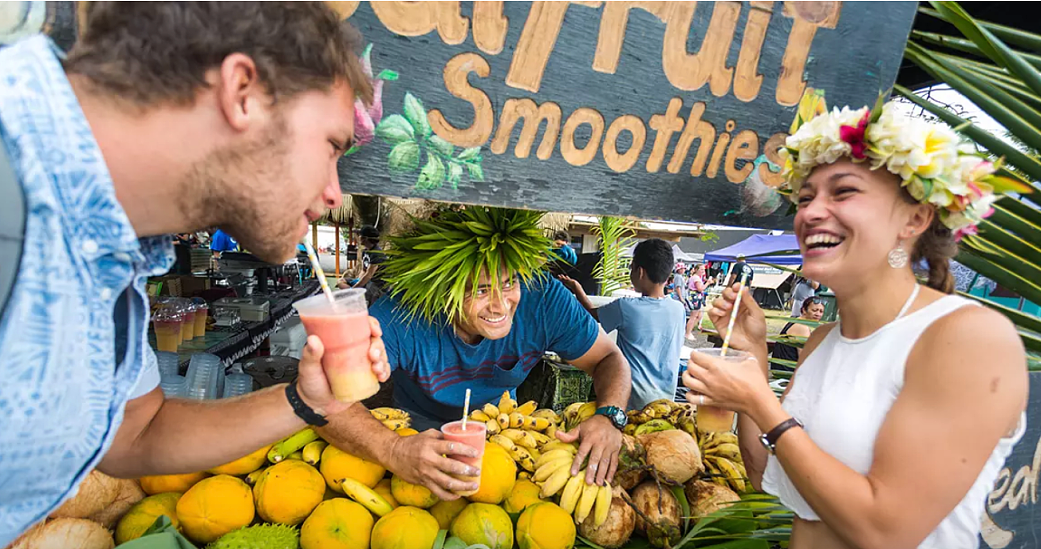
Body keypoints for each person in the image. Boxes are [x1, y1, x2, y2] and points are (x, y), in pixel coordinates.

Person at [0, 4, 417, 544]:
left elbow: (137, 436)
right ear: (242, 90)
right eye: (332, 147)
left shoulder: (111, 255)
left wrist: (309, 401)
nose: (336, 191)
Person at [683, 94, 1027, 548]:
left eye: (843, 191)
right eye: (805, 198)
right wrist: (755, 358)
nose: (809, 212)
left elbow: (886, 531)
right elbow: (767, 472)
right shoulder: (823, 340)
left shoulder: (966, 337)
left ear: (916, 218)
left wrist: (763, 404)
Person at [321, 206, 632, 493]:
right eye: (481, 289)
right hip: (415, 436)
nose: (500, 305)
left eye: (509, 283)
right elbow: (323, 399)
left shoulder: (543, 299)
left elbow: (608, 357)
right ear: (442, 292)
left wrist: (610, 415)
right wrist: (393, 450)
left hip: (503, 435)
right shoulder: (402, 314)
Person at [560, 239, 686, 410]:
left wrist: (577, 289)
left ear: (640, 271)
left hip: (631, 400)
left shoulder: (626, 307)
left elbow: (591, 314)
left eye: (631, 268)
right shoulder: (679, 309)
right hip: (665, 402)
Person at [771, 297, 825, 367]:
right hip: (788, 371)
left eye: (821, 311)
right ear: (804, 310)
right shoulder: (802, 327)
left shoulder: (796, 321)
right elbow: (804, 359)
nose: (818, 314)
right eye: (814, 310)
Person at [684, 264, 712, 341]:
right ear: (696, 270)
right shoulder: (696, 278)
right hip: (695, 298)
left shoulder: (696, 278)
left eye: (704, 269)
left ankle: (688, 330)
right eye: (701, 269)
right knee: (694, 316)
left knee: (699, 315)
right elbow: (700, 288)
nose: (703, 271)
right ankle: (687, 333)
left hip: (696, 297)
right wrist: (708, 283)